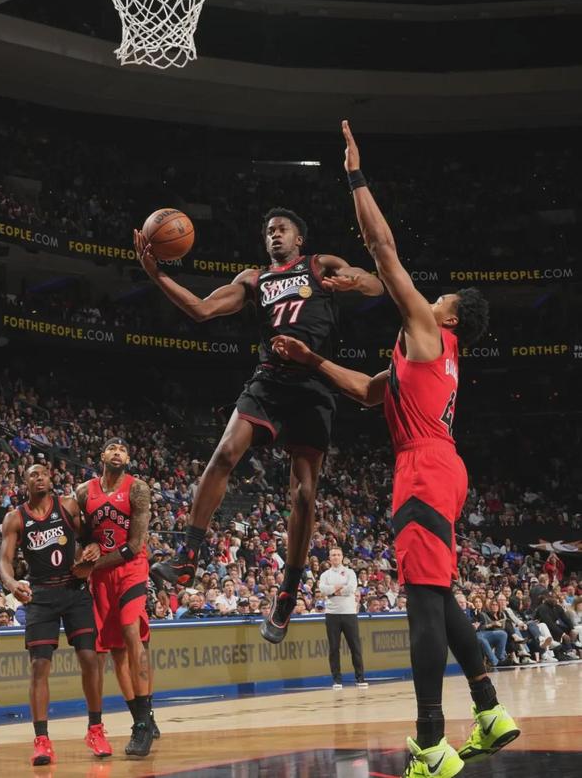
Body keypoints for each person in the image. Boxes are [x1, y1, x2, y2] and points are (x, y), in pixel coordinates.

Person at [269, 120, 519, 778]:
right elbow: (365, 391)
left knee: (422, 606)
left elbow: (382, 250)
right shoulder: (424, 355)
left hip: (424, 466)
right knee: (439, 596)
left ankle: (431, 743)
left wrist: (355, 175)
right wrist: (312, 360)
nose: (428, 299)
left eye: (440, 298)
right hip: (443, 465)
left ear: (451, 315)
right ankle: (490, 710)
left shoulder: (429, 331)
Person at [135, 208, 383, 644]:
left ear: (299, 239)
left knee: (303, 494)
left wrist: (355, 282)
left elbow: (376, 283)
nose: (274, 235)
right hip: (269, 380)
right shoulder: (254, 279)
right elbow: (201, 309)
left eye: (282, 229)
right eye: (269, 231)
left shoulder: (320, 265)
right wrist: (157, 274)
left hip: (314, 381)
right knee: (224, 454)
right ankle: (189, 553)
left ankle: (288, 591)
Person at [0, 464, 110, 766]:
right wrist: (11, 583)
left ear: (51, 479)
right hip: (40, 595)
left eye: (43, 474)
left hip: (74, 590)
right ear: (24, 482)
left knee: (90, 658)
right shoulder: (15, 518)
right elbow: (5, 560)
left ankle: (96, 729)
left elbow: (91, 539)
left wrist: (93, 550)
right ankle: (42, 740)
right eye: (32, 475)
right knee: (39, 666)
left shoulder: (68, 506)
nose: (39, 478)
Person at [74, 437, 156, 758]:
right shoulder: (84, 492)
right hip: (102, 577)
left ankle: (144, 719)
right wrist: (87, 550)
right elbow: (82, 534)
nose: (117, 452)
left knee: (130, 630)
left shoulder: (138, 489)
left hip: (131, 568)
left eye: (123, 449)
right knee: (116, 651)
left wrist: (91, 565)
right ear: (102, 455)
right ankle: (140, 719)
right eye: (112, 448)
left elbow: (134, 545)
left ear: (128, 458)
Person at [318, 546, 367, 689]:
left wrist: (333, 590)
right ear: (329, 557)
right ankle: (337, 680)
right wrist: (338, 588)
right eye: (333, 555)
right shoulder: (325, 575)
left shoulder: (350, 572)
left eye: (338, 554)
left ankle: (360, 678)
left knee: (355, 647)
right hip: (332, 614)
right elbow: (323, 590)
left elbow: (351, 588)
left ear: (342, 557)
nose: (335, 557)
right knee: (334, 648)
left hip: (349, 613)